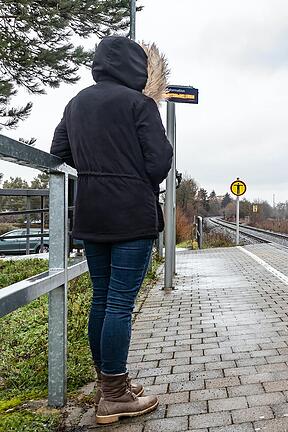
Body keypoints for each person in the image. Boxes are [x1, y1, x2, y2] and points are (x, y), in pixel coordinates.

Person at [51, 36, 173, 424]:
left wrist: (94, 169)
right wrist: (131, 174)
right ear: (135, 68)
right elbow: (159, 162)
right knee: (121, 303)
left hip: (91, 213)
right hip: (130, 214)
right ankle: (116, 396)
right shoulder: (139, 104)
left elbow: (58, 152)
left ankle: (109, 384)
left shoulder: (76, 103)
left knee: (101, 300)